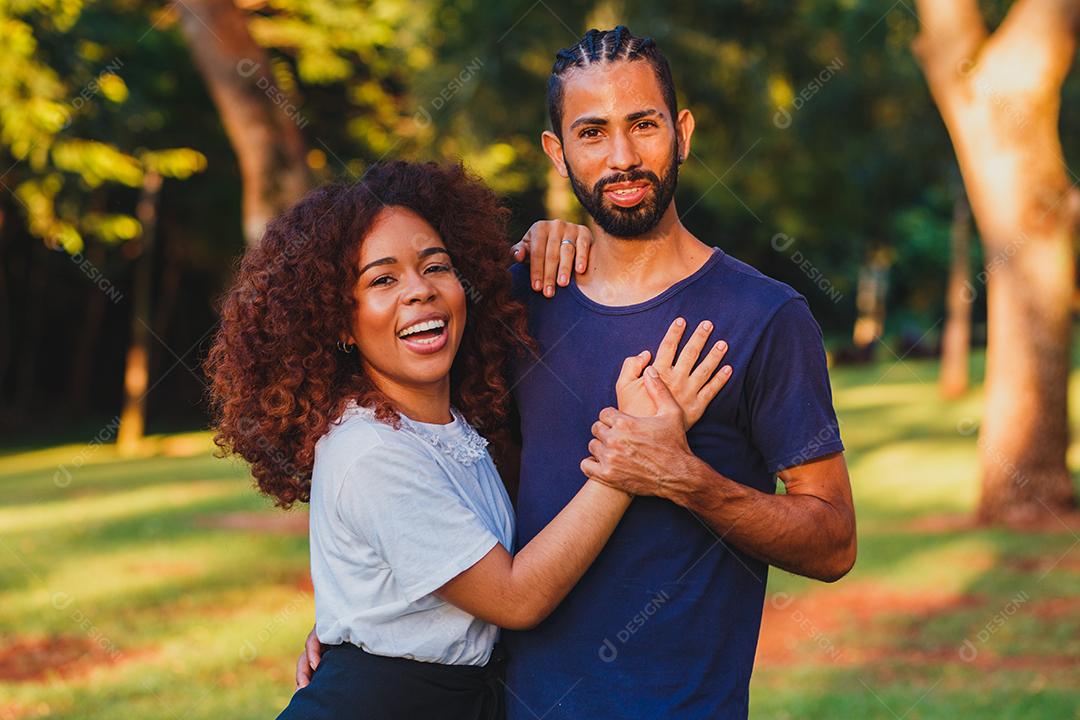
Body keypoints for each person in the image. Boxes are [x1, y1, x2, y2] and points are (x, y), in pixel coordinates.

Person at [295, 26, 857, 720]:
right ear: (557, 153)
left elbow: (833, 542)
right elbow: (445, 480)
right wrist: (365, 620)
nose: (622, 157)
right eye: (592, 133)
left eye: (643, 125)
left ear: (682, 133)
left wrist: (687, 479)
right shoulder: (514, 300)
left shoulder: (765, 317)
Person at [206, 160, 732, 719]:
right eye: (382, 280)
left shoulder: (454, 428)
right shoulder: (371, 451)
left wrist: (560, 239)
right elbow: (516, 598)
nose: (420, 291)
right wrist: (628, 456)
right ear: (338, 322)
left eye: (436, 266)